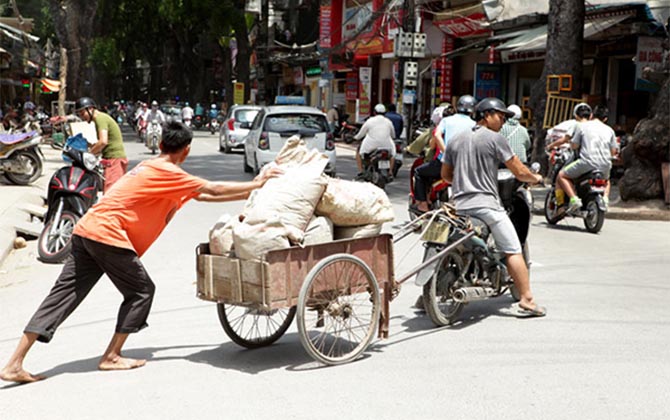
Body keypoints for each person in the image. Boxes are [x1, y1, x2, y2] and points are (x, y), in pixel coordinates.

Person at [0, 121, 283, 384]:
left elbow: (203, 194)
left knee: (60, 297)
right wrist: (258, 184)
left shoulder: (152, 167)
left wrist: (251, 190)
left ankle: (14, 363)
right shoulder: (169, 172)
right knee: (141, 291)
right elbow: (213, 188)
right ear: (185, 151)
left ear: (160, 145)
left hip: (86, 231)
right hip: (108, 236)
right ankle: (111, 356)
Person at [441, 97, 545, 317]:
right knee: (513, 248)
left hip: (457, 205)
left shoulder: (456, 140)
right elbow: (518, 171)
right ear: (486, 115)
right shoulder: (495, 139)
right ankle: (527, 299)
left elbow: (446, 176)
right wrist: (535, 178)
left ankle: (426, 296)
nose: (503, 121)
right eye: (500, 116)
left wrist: (464, 182)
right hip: (486, 205)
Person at [412, 95, 476, 213]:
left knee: (418, 172)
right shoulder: (474, 124)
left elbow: (436, 135)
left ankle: (423, 205)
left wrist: (446, 152)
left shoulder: (446, 121)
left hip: (443, 164)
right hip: (466, 166)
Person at [548, 105, 618, 212]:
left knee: (561, 175)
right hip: (605, 164)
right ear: (605, 119)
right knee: (606, 181)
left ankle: (574, 199)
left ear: (592, 115)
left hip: (586, 162)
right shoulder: (610, 130)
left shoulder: (582, 126)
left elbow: (574, 146)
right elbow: (613, 151)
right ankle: (605, 199)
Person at [75, 97, 129, 193]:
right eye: (80, 115)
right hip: (111, 159)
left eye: (83, 113)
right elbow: (101, 143)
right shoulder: (99, 119)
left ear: (90, 109)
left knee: (111, 194)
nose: (82, 117)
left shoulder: (100, 119)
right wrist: (91, 146)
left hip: (114, 159)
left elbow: (103, 142)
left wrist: (88, 154)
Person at [545, 102, 592, 208]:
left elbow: (566, 140)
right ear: (591, 115)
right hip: (599, 161)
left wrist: (550, 146)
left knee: (560, 176)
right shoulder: (596, 126)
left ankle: (562, 205)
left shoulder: (577, 125)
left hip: (581, 159)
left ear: (575, 115)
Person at [354, 103, 396, 173]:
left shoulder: (370, 121)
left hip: (371, 145)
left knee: (359, 152)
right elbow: (393, 135)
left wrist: (355, 138)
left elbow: (361, 134)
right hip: (387, 145)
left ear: (374, 112)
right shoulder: (389, 122)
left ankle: (361, 171)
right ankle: (390, 171)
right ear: (385, 112)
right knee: (392, 155)